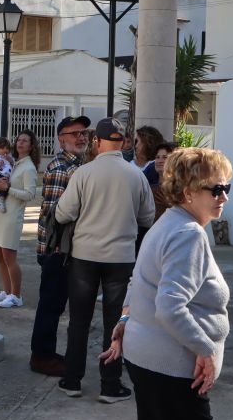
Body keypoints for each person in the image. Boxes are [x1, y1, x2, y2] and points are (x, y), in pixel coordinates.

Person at [102, 147, 233, 420]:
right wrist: (204, 351)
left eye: (226, 188)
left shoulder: (168, 224)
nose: (224, 197)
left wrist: (125, 321)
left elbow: (140, 282)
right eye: (215, 189)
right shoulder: (187, 233)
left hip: (148, 361)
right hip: (172, 368)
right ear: (187, 191)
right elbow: (170, 306)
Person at [55, 117, 155, 403]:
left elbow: (63, 214)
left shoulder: (84, 173)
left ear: (97, 142)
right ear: (123, 142)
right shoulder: (136, 175)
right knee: (116, 321)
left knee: (79, 321)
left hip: (84, 257)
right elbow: (147, 217)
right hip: (122, 259)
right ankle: (110, 385)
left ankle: (72, 380)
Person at [29, 115, 91, 377]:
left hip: (66, 250)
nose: (81, 137)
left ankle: (46, 352)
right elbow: (53, 215)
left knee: (55, 305)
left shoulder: (79, 165)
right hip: (57, 251)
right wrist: (55, 250)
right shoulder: (60, 168)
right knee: (50, 305)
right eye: (75, 133)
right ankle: (41, 357)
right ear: (61, 138)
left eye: (84, 133)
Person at [0, 131, 40, 305]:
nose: (21, 143)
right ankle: (7, 291)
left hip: (12, 216)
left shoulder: (29, 167)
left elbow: (30, 194)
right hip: (0, 214)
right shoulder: (12, 162)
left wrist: (7, 188)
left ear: (31, 146)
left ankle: (16, 295)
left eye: (25, 141)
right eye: (19, 140)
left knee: (9, 257)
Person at [147, 142, 176, 220]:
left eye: (164, 157)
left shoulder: (181, 188)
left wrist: (170, 205)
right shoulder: (148, 185)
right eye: (157, 157)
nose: (160, 161)